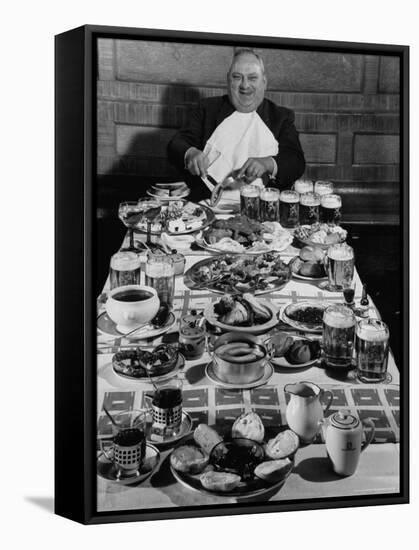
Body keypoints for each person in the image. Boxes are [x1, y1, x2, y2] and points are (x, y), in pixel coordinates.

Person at [167, 49, 305, 202]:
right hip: (207, 205)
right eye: (237, 77)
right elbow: (176, 144)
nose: (245, 85)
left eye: (252, 78)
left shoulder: (281, 117)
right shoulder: (207, 109)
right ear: (228, 81)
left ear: (264, 82)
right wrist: (190, 153)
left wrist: (267, 163)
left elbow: (296, 162)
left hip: (263, 208)